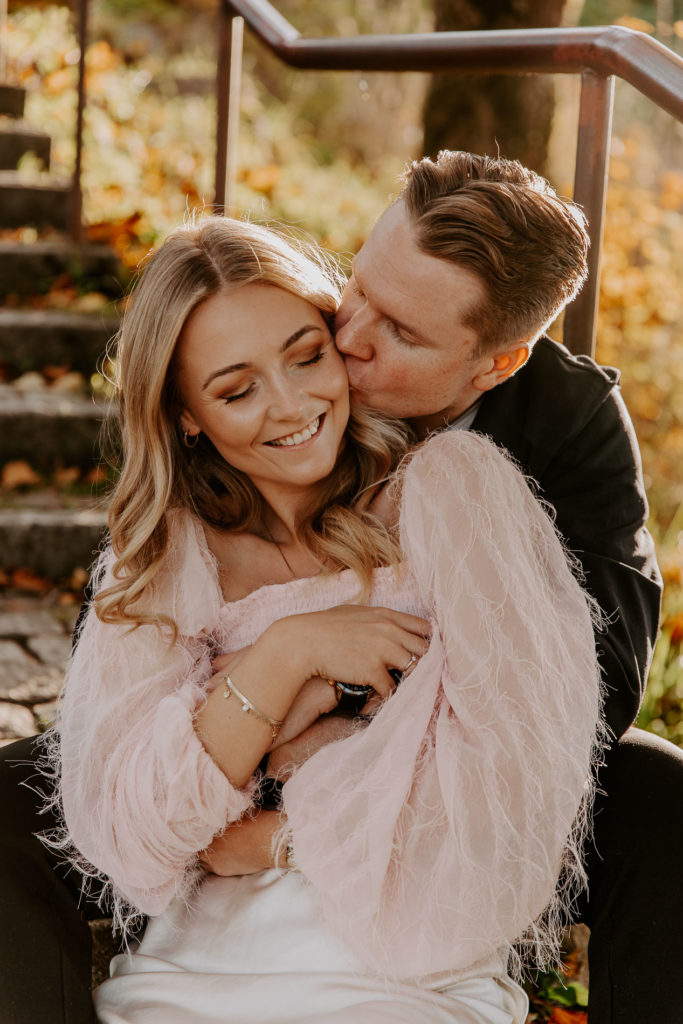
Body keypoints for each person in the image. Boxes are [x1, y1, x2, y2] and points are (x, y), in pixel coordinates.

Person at [0, 149, 678, 1023]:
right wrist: (286, 665)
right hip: (205, 941)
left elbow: (577, 701)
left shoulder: (525, 445)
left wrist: (295, 791)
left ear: (493, 366)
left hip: (410, 921)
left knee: (659, 798)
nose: (348, 338)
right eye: (355, 289)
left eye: (398, 332)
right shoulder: (184, 520)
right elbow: (129, 773)